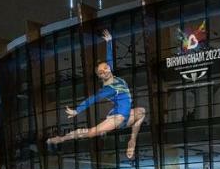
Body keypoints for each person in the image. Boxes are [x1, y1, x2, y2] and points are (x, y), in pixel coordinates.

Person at [47, 29, 148, 160]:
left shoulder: (112, 74)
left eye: (106, 68)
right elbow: (92, 99)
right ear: (101, 76)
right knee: (91, 132)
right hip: (117, 118)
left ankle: (132, 141)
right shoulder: (108, 89)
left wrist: (109, 42)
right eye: (101, 72)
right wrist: (77, 110)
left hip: (127, 115)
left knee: (142, 112)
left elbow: (109, 59)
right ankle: (61, 138)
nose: (105, 70)